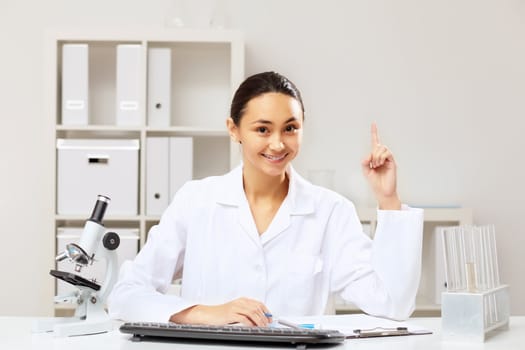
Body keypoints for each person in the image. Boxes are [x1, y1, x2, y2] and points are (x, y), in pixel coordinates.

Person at [107, 71, 423, 326]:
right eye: (262, 129)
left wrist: (389, 199)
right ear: (234, 130)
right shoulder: (197, 200)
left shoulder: (330, 211)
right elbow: (126, 295)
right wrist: (203, 314)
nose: (277, 144)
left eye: (290, 128)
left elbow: (394, 304)